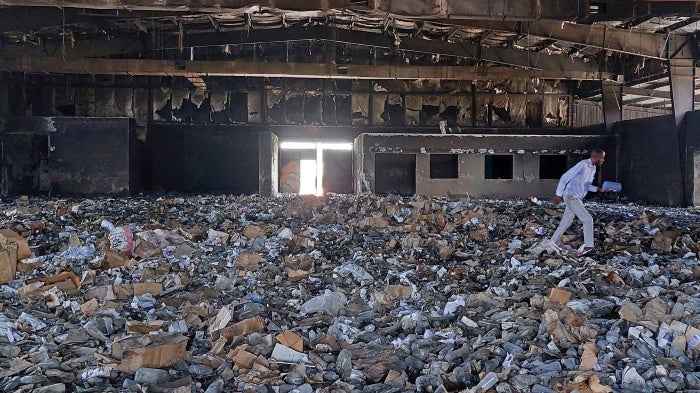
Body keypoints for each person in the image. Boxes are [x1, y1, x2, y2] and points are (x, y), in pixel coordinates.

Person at [548, 148, 606, 256]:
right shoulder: (583, 164)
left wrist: (598, 189)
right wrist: (558, 194)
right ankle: (589, 246)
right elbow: (565, 177)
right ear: (596, 157)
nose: (603, 160)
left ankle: (551, 242)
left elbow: (586, 185)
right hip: (570, 196)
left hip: (577, 198)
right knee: (588, 219)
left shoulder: (593, 168)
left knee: (566, 223)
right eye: (602, 157)